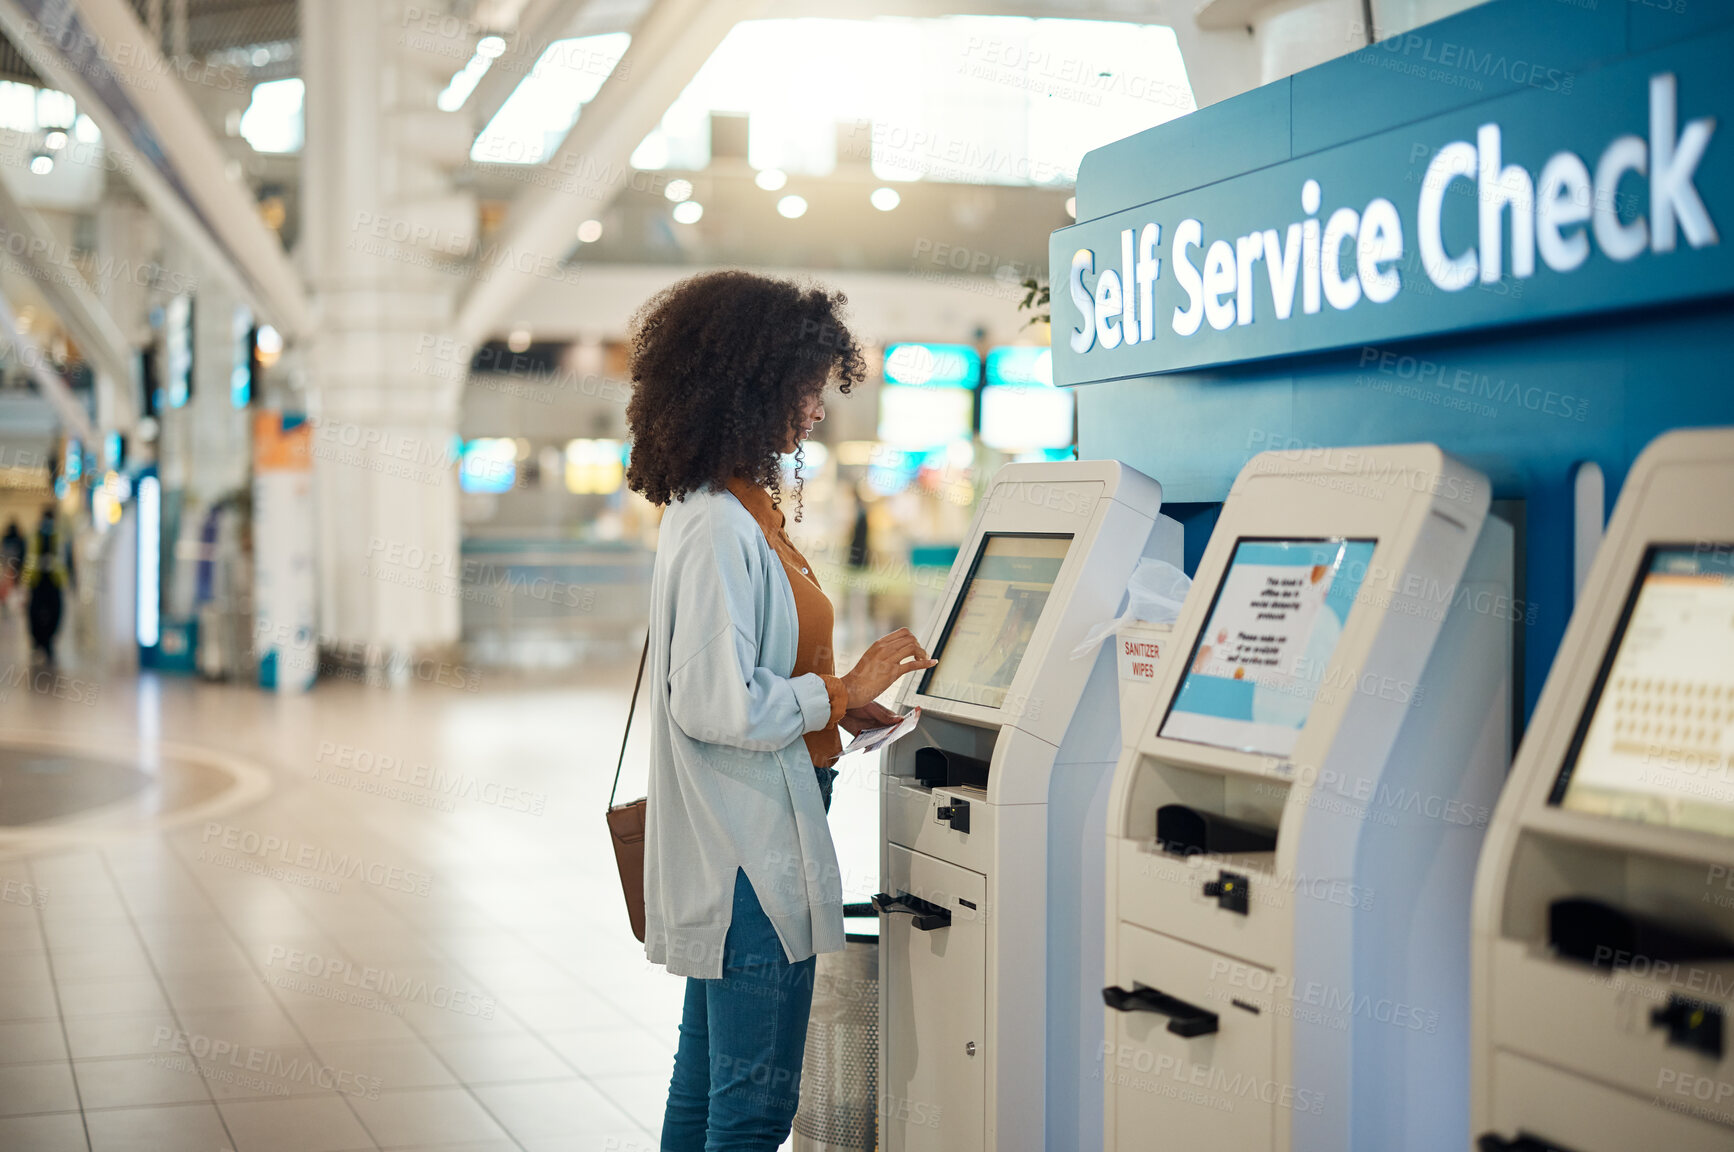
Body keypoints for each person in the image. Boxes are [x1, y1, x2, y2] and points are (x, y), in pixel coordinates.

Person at [626, 270, 936, 1152]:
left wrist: (839, 714)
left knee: (705, 1086)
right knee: (754, 1109)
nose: (812, 410)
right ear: (747, 385)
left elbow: (748, 672)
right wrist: (844, 688)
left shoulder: (732, 510)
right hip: (748, 854)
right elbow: (718, 700)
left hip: (744, 838)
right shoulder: (720, 523)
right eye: (802, 389)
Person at [26, 505, 70, 663]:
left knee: (56, 611)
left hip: (54, 580)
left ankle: (48, 642)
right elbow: (27, 556)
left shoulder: (59, 536)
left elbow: (67, 558)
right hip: (36, 580)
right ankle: (39, 642)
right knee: (34, 613)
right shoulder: (34, 535)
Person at [0, 518, 24, 614]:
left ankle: (10, 605)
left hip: (11, 566)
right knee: (9, 588)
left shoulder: (9, 539)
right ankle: (8, 605)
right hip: (11, 567)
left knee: (12, 588)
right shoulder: (15, 539)